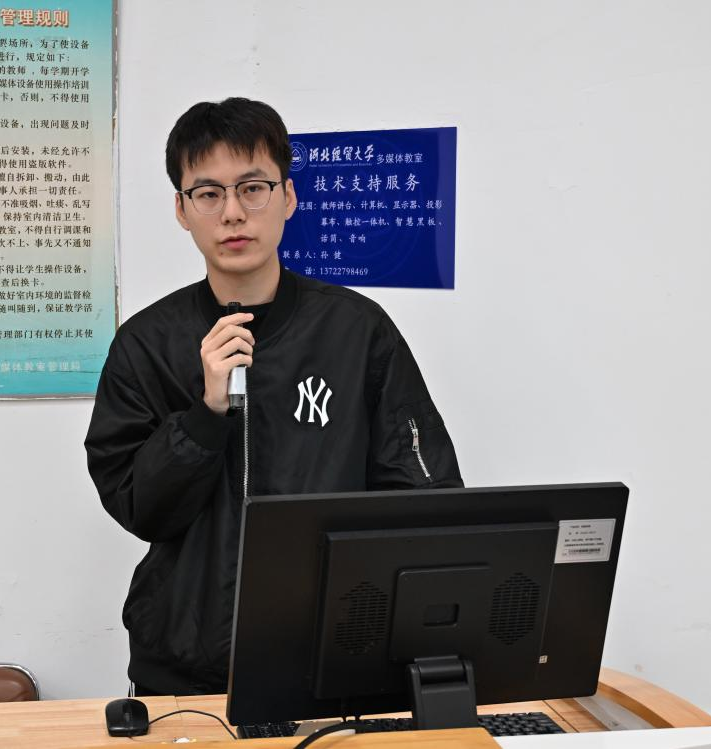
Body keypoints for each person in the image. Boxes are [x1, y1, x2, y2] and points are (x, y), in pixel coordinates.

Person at [85, 97, 462, 696]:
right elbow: (138, 508)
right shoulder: (146, 344)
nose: (233, 213)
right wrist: (205, 415)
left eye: (252, 188)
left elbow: (425, 499)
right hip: (185, 669)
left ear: (288, 197)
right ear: (182, 210)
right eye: (208, 194)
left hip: (333, 658)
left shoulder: (357, 331)